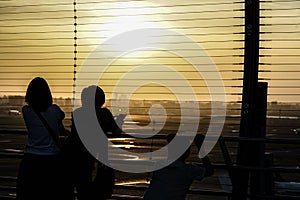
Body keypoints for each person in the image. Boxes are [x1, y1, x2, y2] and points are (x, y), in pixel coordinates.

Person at [61, 85, 123, 200]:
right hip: (88, 159)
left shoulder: (78, 113)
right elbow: (117, 131)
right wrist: (119, 121)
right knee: (85, 190)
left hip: (70, 155)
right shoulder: (104, 114)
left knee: (68, 188)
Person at [16, 77, 65, 200]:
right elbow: (60, 129)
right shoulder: (55, 110)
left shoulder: (26, 111)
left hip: (31, 159)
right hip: (51, 159)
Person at [143, 134, 214, 200]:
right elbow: (209, 171)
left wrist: (172, 140)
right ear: (187, 154)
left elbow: (170, 137)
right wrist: (200, 145)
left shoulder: (159, 165)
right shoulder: (188, 170)